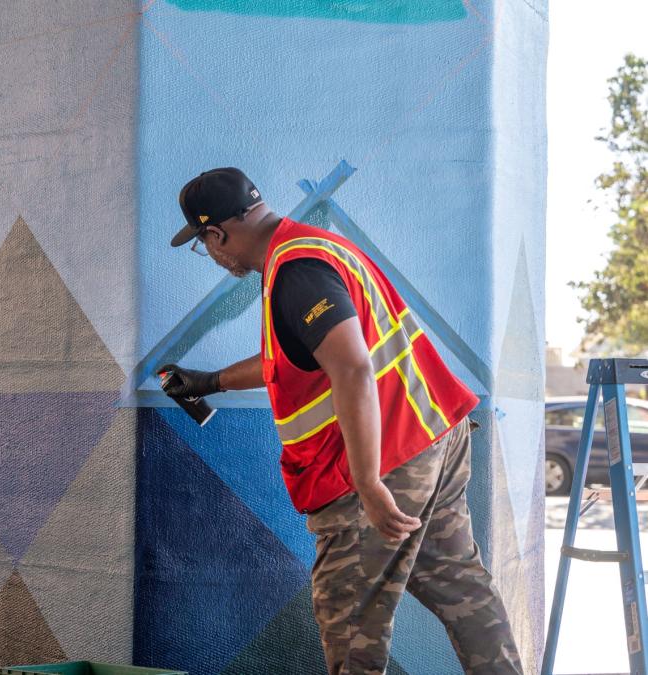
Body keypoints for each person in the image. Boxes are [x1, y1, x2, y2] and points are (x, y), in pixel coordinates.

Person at [160, 168, 522, 674]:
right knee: (461, 589)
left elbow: (352, 365)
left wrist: (368, 480)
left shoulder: (295, 271)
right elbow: (296, 359)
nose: (212, 255)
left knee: (347, 611)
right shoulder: (318, 247)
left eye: (203, 244)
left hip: (389, 460)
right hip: (434, 434)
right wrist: (209, 381)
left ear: (217, 233)